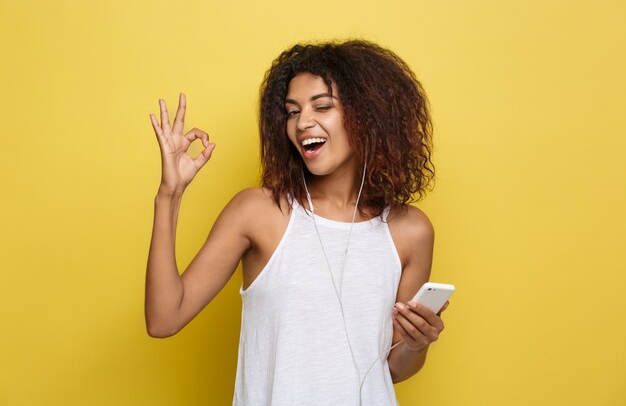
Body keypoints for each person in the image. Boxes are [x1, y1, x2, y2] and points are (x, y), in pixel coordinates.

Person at [145, 39, 450, 406]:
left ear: (369, 114)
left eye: (322, 106)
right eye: (292, 112)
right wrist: (169, 195)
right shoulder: (259, 212)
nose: (303, 122)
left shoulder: (410, 231)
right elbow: (163, 319)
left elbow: (394, 368)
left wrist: (417, 343)